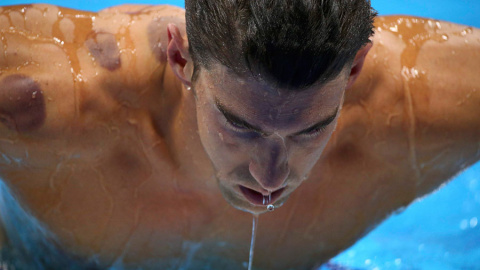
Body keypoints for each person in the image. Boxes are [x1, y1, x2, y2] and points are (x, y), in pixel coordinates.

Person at [0, 1, 478, 269]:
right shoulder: (50, 104)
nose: (269, 175)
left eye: (312, 129)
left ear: (355, 68)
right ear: (181, 58)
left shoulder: (419, 108)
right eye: (240, 125)